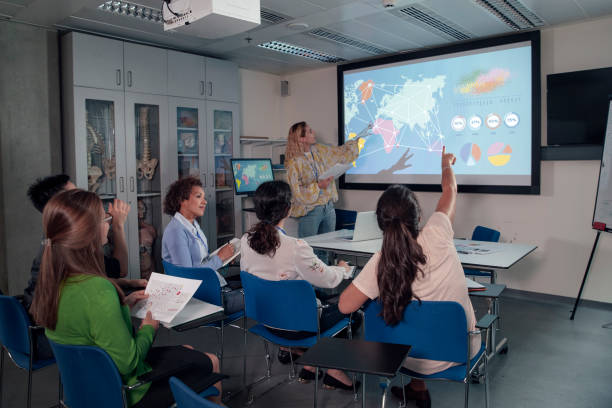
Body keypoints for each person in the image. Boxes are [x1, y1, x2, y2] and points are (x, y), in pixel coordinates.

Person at [30, 189, 223, 408]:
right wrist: (149, 326)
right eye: (104, 218)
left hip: (87, 387)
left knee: (187, 350)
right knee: (211, 361)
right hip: (128, 392)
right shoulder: (99, 291)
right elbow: (129, 362)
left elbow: (91, 324)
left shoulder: (54, 281)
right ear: (87, 233)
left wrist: (123, 304)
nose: (109, 223)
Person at [338, 147, 479, 408]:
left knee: (403, 312)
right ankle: (418, 389)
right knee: (426, 314)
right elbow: (450, 190)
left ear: (380, 223)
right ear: (419, 216)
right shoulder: (438, 230)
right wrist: (445, 164)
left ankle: (417, 388)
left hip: (399, 354)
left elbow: (345, 306)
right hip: (455, 350)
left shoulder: (381, 259)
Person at [240, 180, 359, 391]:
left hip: (267, 321)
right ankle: (333, 371)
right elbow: (329, 279)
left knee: (317, 296)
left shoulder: (245, 240)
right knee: (354, 313)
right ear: (289, 209)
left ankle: (312, 365)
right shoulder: (295, 247)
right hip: (297, 327)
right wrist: (344, 269)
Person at [23, 174, 145, 360]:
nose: (83, 199)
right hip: (51, 338)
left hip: (50, 332)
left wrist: (124, 288)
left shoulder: (52, 244)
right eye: (76, 195)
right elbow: (128, 361)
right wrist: (118, 227)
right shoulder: (75, 252)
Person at [161, 176, 243, 314]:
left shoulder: (192, 224)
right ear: (182, 200)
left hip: (211, 286)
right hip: (203, 297)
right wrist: (219, 259)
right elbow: (187, 277)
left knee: (252, 286)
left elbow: (200, 262)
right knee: (260, 294)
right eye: (199, 196)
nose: (205, 202)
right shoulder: (176, 232)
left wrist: (225, 259)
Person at [284, 121, 370, 240]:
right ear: (301, 138)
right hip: (310, 211)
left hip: (328, 208)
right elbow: (295, 191)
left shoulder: (319, 150)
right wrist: (318, 186)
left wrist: (357, 139)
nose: (313, 133)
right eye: (310, 131)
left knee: (328, 249)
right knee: (310, 249)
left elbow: (339, 154)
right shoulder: (293, 162)